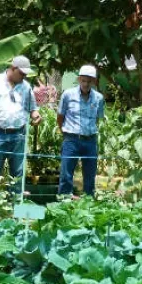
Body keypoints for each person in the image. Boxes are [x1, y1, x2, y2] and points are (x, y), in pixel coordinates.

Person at [0, 55, 42, 203]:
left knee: (18, 176)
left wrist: (36, 116)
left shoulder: (26, 87)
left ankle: (16, 212)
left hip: (19, 135)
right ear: (13, 68)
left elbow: (33, 109)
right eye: (22, 73)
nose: (24, 76)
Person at [57, 64, 105, 197]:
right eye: (83, 80)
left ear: (94, 82)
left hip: (90, 140)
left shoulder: (99, 98)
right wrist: (66, 134)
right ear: (79, 79)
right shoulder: (68, 94)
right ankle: (63, 202)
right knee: (66, 174)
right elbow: (60, 116)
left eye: (89, 81)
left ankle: (88, 203)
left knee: (90, 175)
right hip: (71, 139)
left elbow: (97, 118)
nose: (86, 83)